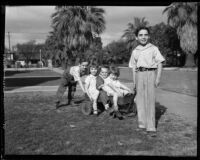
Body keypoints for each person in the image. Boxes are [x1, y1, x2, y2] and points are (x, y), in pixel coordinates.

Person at [129, 26, 165, 137]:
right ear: (136, 37)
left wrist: (158, 78)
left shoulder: (154, 48)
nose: (143, 37)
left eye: (145, 35)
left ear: (148, 36)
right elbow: (133, 67)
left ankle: (151, 127)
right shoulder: (135, 51)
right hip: (139, 75)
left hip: (150, 74)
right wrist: (134, 82)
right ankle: (142, 124)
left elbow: (159, 63)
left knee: (150, 100)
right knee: (140, 100)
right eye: (140, 35)